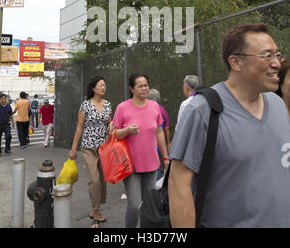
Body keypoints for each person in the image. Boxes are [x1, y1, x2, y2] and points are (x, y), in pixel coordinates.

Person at [169, 22, 290, 228]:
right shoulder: (202, 110)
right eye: (267, 55)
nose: (277, 63)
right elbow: (178, 185)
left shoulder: (278, 105)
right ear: (235, 62)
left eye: (277, 55)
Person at [110, 74, 169, 228]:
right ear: (131, 88)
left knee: (148, 204)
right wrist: (127, 130)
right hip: (130, 164)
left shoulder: (154, 106)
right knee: (134, 205)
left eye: (146, 85)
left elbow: (159, 132)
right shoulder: (123, 107)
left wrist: (165, 157)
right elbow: (113, 133)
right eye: (140, 86)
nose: (144, 88)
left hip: (151, 163)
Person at [69, 76, 112, 229]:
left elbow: (109, 122)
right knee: (94, 180)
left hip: (104, 148)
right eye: (100, 85)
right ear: (93, 88)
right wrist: (73, 149)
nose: (103, 88)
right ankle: (96, 214)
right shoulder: (85, 105)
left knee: (101, 180)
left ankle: (94, 208)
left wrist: (112, 123)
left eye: (104, 85)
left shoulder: (108, 105)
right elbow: (79, 128)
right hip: (88, 148)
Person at [148, 88, 171, 180]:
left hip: (151, 141)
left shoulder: (148, 109)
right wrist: (167, 142)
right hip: (160, 142)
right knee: (157, 163)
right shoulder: (163, 110)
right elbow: (167, 128)